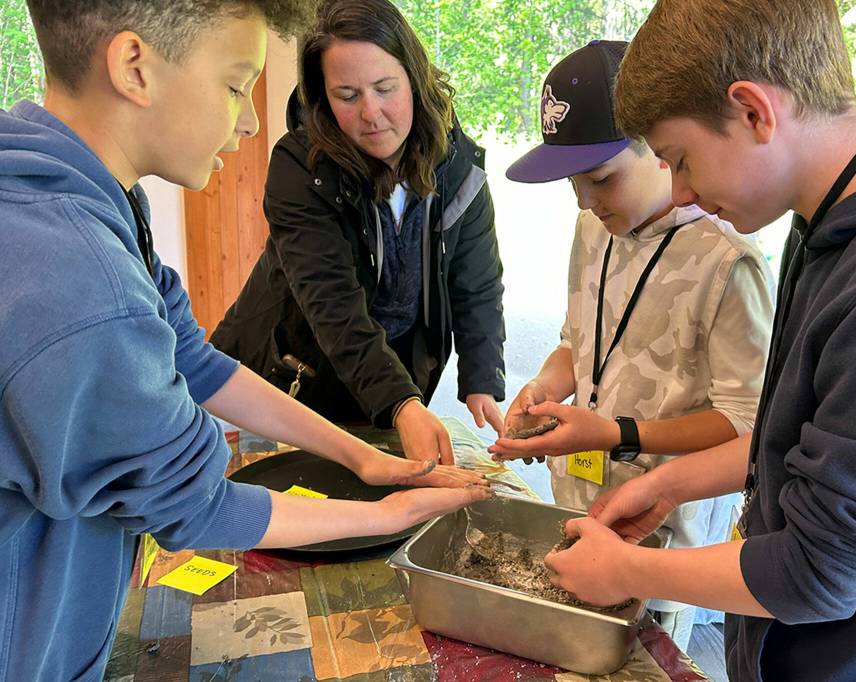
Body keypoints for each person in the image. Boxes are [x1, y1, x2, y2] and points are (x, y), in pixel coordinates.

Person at [0, 2, 492, 680]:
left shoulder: (81, 196)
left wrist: (361, 457)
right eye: (236, 84)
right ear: (134, 67)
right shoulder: (82, 284)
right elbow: (195, 504)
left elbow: (194, 360)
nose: (252, 118)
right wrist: (391, 512)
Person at [543, 1, 856, 681]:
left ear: (752, 111)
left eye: (679, 160)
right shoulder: (842, 215)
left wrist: (627, 568)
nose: (678, 193)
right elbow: (807, 439)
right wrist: (675, 483)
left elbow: (818, 571)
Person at [488, 41, 774, 674]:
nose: (586, 201)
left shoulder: (728, 259)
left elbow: (748, 424)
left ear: (661, 146)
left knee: (637, 661)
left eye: (601, 178)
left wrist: (619, 432)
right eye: (573, 185)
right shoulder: (594, 227)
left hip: (662, 533)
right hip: (579, 495)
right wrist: (543, 387)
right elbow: (577, 342)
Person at [211, 0, 506, 465]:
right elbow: (333, 308)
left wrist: (482, 378)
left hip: (390, 378)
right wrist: (402, 404)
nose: (371, 114)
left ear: (415, 79)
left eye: (385, 88)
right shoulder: (299, 168)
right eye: (347, 96)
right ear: (323, 97)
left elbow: (477, 283)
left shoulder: (457, 165)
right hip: (290, 376)